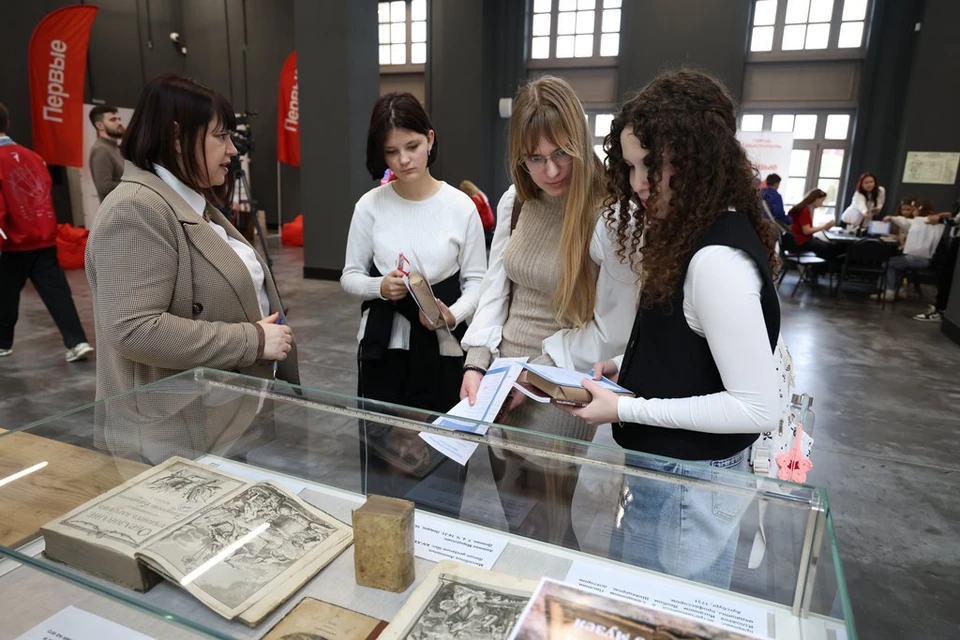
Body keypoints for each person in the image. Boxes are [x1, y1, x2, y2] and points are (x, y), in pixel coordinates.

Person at [562, 70, 782, 589]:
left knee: (667, 613)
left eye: (649, 165)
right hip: (674, 479)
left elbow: (757, 407)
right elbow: (695, 350)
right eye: (631, 167)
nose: (638, 183)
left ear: (693, 157)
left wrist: (624, 408)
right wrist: (629, 367)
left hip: (689, 486)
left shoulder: (715, 261)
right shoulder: (692, 234)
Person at [459, 76, 637, 548]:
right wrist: (477, 362)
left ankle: (557, 595)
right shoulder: (516, 201)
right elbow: (497, 287)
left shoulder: (609, 212)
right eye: (534, 158)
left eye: (561, 153)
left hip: (560, 383)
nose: (551, 170)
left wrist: (535, 375)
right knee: (516, 518)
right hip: (502, 381)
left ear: (580, 139)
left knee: (546, 529)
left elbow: (614, 329)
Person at [86, 74, 298, 458]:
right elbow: (134, 329)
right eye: (221, 136)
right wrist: (252, 340)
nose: (232, 150)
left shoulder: (187, 202)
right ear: (177, 137)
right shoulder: (136, 209)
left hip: (215, 416)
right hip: (171, 434)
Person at [340, 92, 486, 518]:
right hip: (383, 349)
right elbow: (349, 276)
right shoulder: (370, 206)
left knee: (441, 456)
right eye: (391, 151)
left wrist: (454, 314)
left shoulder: (460, 207)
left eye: (412, 146)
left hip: (442, 347)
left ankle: (440, 540)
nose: (403, 160)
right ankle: (384, 538)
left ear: (430, 140)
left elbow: (479, 282)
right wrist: (379, 287)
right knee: (383, 460)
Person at [0, 103, 94, 362]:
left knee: (5, 294)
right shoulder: (34, 157)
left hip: (13, 244)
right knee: (58, 293)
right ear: (7, 124)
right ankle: (78, 341)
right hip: (44, 239)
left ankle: (3, 343)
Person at [872, 199, 952, 302]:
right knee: (897, 264)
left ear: (919, 209)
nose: (912, 212)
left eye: (914, 209)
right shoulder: (935, 223)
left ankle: (889, 291)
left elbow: (905, 222)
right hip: (929, 259)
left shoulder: (921, 222)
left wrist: (891, 218)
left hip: (919, 258)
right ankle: (898, 290)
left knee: (889, 263)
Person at [915, 209, 960, 321]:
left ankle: (941, 310)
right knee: (946, 276)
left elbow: (956, 221)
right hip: (955, 240)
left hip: (957, 242)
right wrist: (949, 215)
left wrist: (940, 219)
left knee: (947, 277)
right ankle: (942, 308)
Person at [789, 189, 844, 261]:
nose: (822, 204)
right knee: (831, 249)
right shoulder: (804, 210)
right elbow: (806, 231)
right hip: (802, 241)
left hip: (796, 240)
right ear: (816, 199)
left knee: (827, 246)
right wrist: (824, 226)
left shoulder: (799, 208)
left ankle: (819, 267)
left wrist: (824, 227)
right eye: (822, 200)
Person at [88, 104, 125, 201]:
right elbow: (105, 188)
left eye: (119, 119)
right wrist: (136, 184)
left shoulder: (114, 148)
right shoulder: (101, 150)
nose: (119, 123)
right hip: (117, 208)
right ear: (99, 125)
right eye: (113, 120)